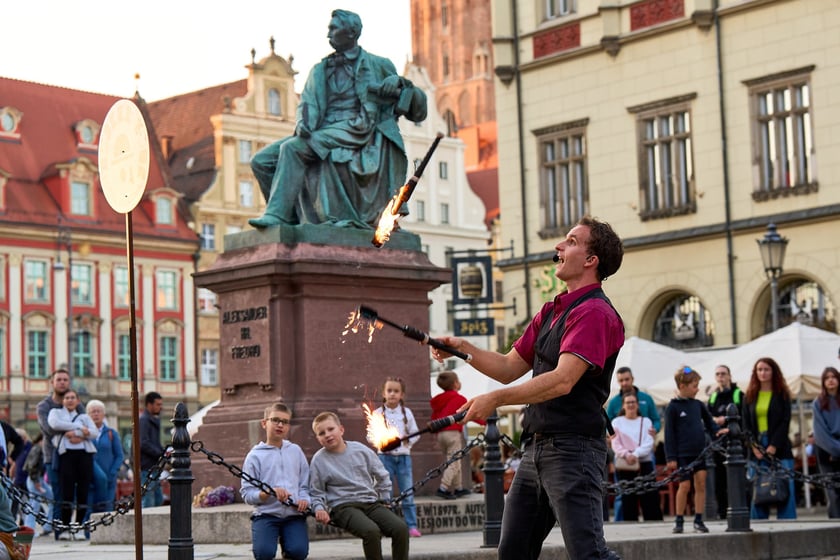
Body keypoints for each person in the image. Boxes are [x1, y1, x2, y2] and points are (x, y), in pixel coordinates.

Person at [432, 216, 625, 560]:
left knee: (588, 554)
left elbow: (563, 380)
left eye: (571, 241)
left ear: (591, 260)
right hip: (536, 449)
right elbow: (508, 367)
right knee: (513, 552)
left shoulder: (594, 312)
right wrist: (462, 348)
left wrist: (495, 399)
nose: (559, 246)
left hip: (574, 450)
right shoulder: (552, 310)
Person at [248, 9, 427, 229]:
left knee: (292, 149)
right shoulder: (320, 69)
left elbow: (417, 110)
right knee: (261, 161)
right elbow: (306, 104)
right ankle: (291, 223)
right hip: (323, 129)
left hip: (359, 129)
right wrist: (302, 123)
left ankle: (277, 216)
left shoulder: (378, 64)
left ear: (351, 32)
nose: (328, 34)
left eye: (333, 29)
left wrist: (401, 84)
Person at [309, 411, 408, 560]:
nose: (327, 435)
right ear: (318, 438)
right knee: (371, 531)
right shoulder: (319, 460)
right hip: (343, 506)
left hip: (370, 503)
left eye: (331, 429)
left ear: (341, 429)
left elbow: (382, 475)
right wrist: (319, 508)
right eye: (321, 433)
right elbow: (316, 491)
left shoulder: (360, 450)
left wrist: (384, 498)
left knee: (400, 529)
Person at [241, 403, 310, 560]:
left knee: (298, 552)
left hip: (293, 514)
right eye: (275, 420)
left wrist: (304, 499)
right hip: (266, 515)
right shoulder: (254, 456)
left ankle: (289, 544)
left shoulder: (295, 451)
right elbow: (247, 493)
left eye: (285, 422)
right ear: (264, 423)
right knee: (263, 554)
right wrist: (266, 494)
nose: (280, 425)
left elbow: (305, 484)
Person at [664, 367, 722, 534]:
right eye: (695, 386)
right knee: (684, 485)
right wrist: (671, 457)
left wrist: (718, 431)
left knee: (701, 484)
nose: (697, 389)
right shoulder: (673, 407)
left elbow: (710, 423)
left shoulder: (698, 405)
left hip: (699, 453)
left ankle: (698, 519)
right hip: (682, 454)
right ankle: (679, 519)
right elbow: (669, 434)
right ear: (682, 386)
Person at [742, 357, 797, 520]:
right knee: (757, 488)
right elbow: (745, 425)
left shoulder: (782, 394)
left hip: (779, 446)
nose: (763, 373)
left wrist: (774, 445)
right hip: (756, 447)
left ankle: (787, 523)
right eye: (759, 370)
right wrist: (753, 446)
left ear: (773, 372)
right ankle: (758, 523)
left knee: (785, 486)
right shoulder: (749, 396)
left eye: (766, 369)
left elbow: (785, 421)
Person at [373, 377, 421, 537]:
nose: (392, 394)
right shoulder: (378, 413)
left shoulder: (406, 413)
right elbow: (370, 434)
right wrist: (380, 442)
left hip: (403, 458)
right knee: (385, 493)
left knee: (407, 492)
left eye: (396, 391)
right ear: (383, 393)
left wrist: (408, 444)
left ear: (402, 394)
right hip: (384, 458)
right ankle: (389, 525)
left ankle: (411, 525)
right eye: (389, 391)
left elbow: (415, 433)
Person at [47, 389, 98, 540]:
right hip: (66, 455)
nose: (70, 400)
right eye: (67, 398)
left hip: (84, 455)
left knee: (83, 491)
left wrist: (76, 434)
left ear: (77, 401)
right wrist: (80, 429)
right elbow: (55, 424)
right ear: (63, 401)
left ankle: (79, 528)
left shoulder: (84, 417)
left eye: (73, 397)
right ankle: (65, 528)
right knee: (66, 492)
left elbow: (94, 432)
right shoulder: (56, 413)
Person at [36, 368, 83, 525]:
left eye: (65, 380)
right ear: (52, 382)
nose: (62, 383)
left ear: (69, 382)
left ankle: (80, 525)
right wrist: (74, 431)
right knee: (58, 493)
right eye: (59, 380)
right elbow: (48, 429)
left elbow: (86, 423)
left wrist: (76, 432)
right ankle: (58, 528)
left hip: (77, 453)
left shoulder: (77, 404)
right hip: (53, 455)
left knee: (89, 484)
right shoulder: (44, 406)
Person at [610, 393, 662, 522]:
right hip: (625, 465)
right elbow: (615, 443)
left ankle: (652, 523)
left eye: (633, 402)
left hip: (644, 462)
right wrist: (627, 455)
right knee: (628, 499)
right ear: (623, 405)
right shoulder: (616, 422)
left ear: (638, 404)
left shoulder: (646, 421)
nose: (631, 405)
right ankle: (630, 523)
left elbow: (649, 442)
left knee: (649, 497)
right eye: (628, 402)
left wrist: (635, 454)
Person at [430, 371, 474, 500]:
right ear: (455, 384)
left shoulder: (438, 400)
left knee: (455, 460)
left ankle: (458, 488)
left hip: (441, 434)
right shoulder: (460, 399)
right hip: (453, 433)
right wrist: (484, 422)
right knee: (454, 462)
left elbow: (434, 417)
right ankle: (443, 488)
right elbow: (469, 414)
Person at [706, 364, 742, 519]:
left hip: (736, 444)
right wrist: (715, 421)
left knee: (736, 479)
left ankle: (740, 509)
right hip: (718, 444)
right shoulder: (713, 397)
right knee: (720, 480)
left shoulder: (738, 394)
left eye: (723, 373)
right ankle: (722, 512)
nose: (720, 376)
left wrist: (727, 421)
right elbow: (707, 417)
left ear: (729, 376)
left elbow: (743, 416)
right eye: (718, 374)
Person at [811, 366, 840, 518]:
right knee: (832, 493)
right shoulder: (818, 403)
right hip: (825, 452)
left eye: (833, 377)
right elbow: (820, 433)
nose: (830, 380)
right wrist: (835, 450)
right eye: (827, 378)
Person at [86, 400, 123, 513]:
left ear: (103, 414)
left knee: (106, 512)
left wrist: (112, 472)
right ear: (88, 415)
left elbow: (119, 455)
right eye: (93, 412)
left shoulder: (111, 433)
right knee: (89, 512)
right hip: (90, 481)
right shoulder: (85, 433)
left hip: (108, 480)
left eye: (98, 411)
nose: (96, 414)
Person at [605, 367, 661, 436]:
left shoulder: (646, 398)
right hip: (621, 440)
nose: (624, 383)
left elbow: (656, 420)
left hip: (644, 438)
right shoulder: (613, 402)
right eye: (621, 380)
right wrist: (610, 434)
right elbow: (606, 423)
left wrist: (655, 429)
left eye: (627, 379)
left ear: (632, 379)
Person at [22, 433, 52, 537]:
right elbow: (32, 466)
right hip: (35, 479)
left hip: (38, 479)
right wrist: (36, 482)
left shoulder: (40, 449)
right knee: (34, 504)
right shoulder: (37, 449)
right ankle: (29, 529)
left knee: (49, 500)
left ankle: (48, 526)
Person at [139, 391, 165, 508]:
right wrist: (160, 453)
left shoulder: (152, 420)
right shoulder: (144, 420)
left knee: (158, 499)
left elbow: (153, 442)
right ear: (149, 404)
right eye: (158, 404)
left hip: (153, 466)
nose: (160, 407)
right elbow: (143, 443)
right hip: (146, 466)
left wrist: (163, 452)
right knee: (148, 501)